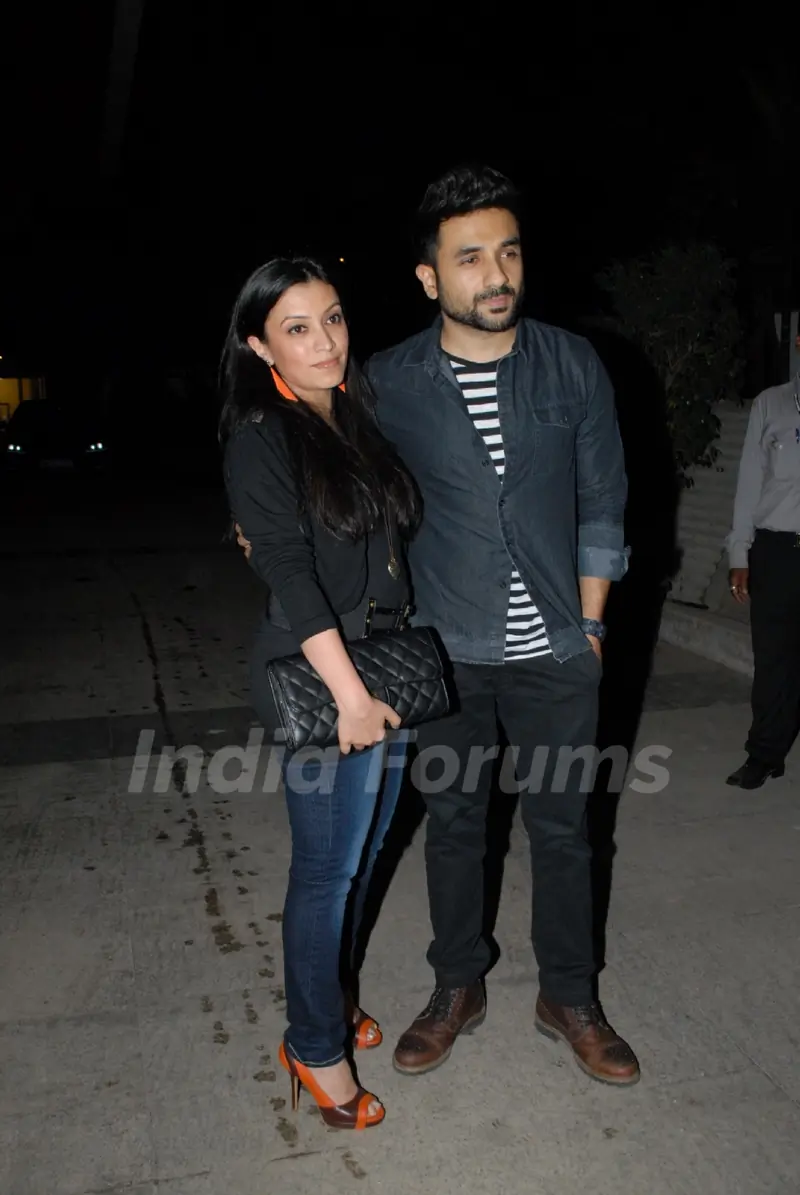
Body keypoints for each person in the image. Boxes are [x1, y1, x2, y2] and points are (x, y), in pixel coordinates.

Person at [365, 164, 640, 1085]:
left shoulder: (572, 364)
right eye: (471, 257)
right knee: (455, 824)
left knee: (565, 829)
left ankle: (570, 994)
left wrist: (591, 627)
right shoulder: (391, 381)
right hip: (447, 654)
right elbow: (347, 489)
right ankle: (458, 985)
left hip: (557, 649)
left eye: (509, 253)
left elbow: (604, 499)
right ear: (428, 276)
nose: (497, 275)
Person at [221, 256, 421, 1129]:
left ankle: (332, 995)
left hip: (387, 670)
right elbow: (292, 576)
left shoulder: (352, 413)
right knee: (326, 873)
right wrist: (349, 697)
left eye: (333, 317)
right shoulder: (261, 434)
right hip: (327, 683)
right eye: (297, 327)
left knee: (362, 858)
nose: (325, 340)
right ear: (259, 344)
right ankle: (313, 1044)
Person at [726, 332, 800, 790]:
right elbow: (749, 484)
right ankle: (765, 754)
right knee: (773, 660)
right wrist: (740, 552)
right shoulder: (770, 405)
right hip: (777, 551)